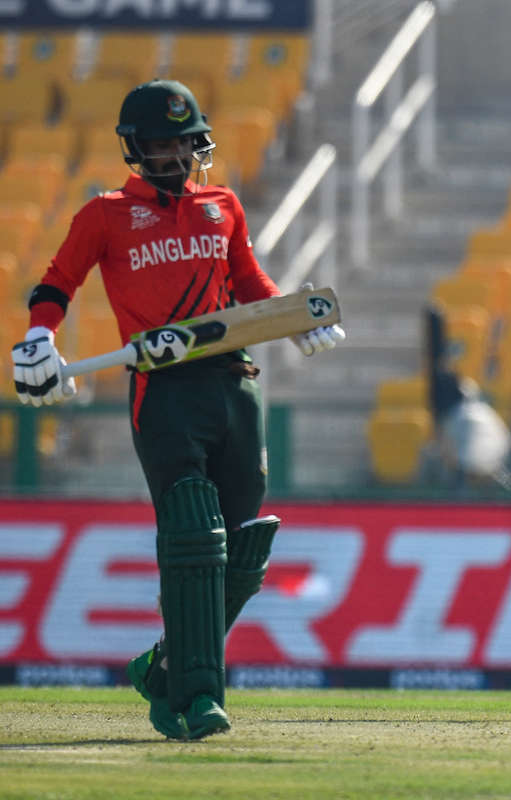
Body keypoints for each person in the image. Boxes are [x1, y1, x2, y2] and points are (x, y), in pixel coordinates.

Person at [8, 79, 345, 740]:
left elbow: (248, 282)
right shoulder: (105, 213)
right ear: (136, 148)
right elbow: (57, 281)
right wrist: (40, 336)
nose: (174, 155)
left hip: (233, 381)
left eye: (184, 143)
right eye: (161, 144)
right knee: (193, 534)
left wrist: (292, 318)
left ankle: (165, 669)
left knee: (243, 546)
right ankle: (198, 698)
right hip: (162, 389)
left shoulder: (223, 205)